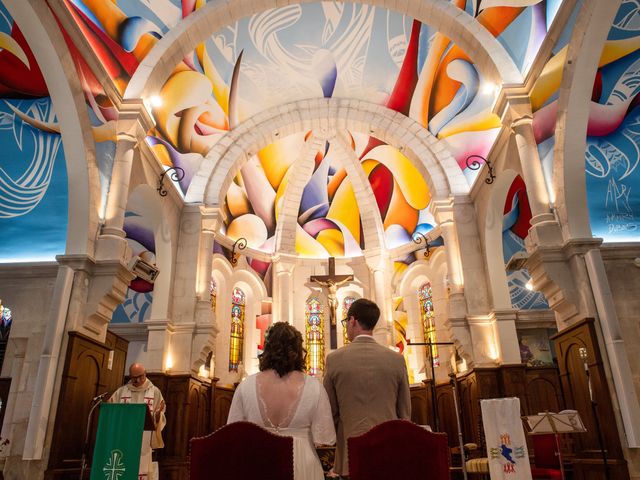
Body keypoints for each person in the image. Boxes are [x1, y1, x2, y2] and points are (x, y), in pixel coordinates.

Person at [227, 322, 336, 479]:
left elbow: (233, 434)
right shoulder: (314, 387)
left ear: (267, 350)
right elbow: (325, 437)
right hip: (301, 463)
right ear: (299, 351)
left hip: (258, 462)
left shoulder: (245, 386)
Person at [323, 298, 411, 478]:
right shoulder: (396, 360)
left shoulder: (334, 359)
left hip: (350, 454)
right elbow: (404, 413)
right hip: (388, 453)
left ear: (352, 320)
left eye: (346, 322)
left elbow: (330, 412)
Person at [110, 363, 166, 480]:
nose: (139, 380)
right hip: (124, 438)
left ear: (145, 374)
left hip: (143, 438)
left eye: (141, 376)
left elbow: (160, 416)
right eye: (135, 377)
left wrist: (157, 416)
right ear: (130, 377)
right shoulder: (121, 392)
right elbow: (112, 412)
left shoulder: (154, 392)